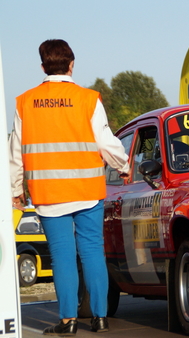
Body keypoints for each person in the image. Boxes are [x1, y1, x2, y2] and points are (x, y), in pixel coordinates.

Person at [9, 39, 130, 335]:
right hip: (87, 192)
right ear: (72, 65)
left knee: (62, 256)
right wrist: (123, 165)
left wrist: (15, 188)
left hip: (49, 195)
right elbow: (105, 141)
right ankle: (100, 318)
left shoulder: (25, 101)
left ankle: (68, 321)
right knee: (92, 252)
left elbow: (15, 151)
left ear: (42, 67)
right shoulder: (88, 99)